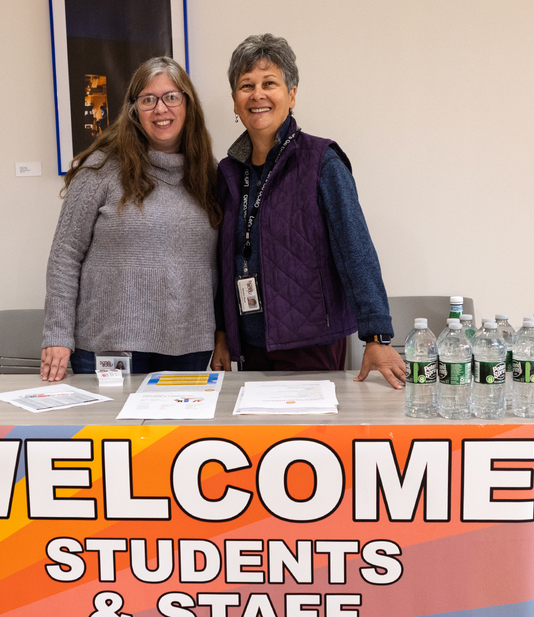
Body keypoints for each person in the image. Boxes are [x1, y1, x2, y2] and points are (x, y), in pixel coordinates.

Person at [210, 34, 405, 388]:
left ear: (292, 94)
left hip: (312, 342)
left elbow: (355, 249)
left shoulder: (322, 161)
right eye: (246, 86)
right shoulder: (229, 173)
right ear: (235, 103)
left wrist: (377, 337)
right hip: (252, 345)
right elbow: (223, 263)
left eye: (270, 83)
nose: (257, 95)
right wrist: (223, 334)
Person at [41, 57, 220, 381]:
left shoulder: (210, 176)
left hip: (188, 348)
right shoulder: (101, 169)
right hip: (110, 346)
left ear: (188, 104)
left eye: (171, 96)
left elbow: (223, 264)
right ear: (134, 110)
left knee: (173, 434)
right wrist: (57, 335)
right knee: (108, 432)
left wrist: (224, 335)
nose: (160, 109)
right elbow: (65, 256)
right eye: (148, 99)